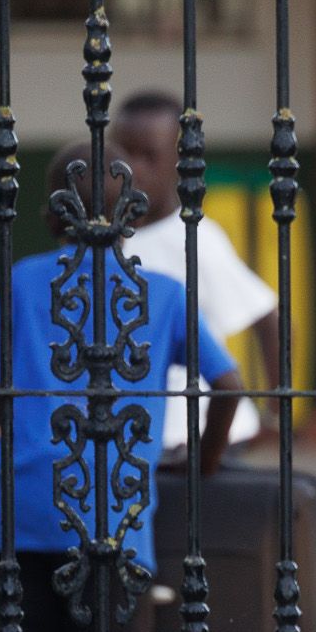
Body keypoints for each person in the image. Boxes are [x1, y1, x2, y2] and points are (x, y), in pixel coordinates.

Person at [0, 138, 242, 632]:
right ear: (139, 210)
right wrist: (204, 462)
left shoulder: (23, 280)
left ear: (48, 210)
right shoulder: (162, 294)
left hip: (20, 515)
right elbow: (233, 382)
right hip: (113, 515)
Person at [112, 90, 281, 454]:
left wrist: (276, 415)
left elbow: (269, 319)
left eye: (149, 156)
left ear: (179, 161)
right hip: (132, 436)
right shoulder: (103, 238)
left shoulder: (195, 239)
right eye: (124, 154)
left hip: (200, 435)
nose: (134, 168)